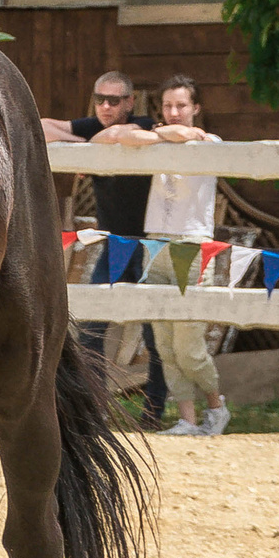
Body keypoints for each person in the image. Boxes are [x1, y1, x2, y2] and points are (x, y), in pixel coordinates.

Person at [97, 75, 229, 436]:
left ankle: (216, 408)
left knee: (189, 345)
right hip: (156, 243)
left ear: (196, 108)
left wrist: (159, 133)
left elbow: (190, 136)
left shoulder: (210, 142)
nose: (174, 112)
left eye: (181, 105)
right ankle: (187, 417)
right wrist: (158, 134)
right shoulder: (157, 140)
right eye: (168, 106)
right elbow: (113, 136)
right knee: (165, 344)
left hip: (193, 245)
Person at [41, 71, 170, 427]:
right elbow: (42, 125)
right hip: (113, 245)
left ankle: (154, 412)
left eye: (114, 100)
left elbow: (122, 134)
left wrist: (96, 140)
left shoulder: (142, 123)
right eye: (100, 99)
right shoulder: (91, 126)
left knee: (153, 332)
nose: (106, 106)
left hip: (147, 245)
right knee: (92, 328)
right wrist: (87, 145)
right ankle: (94, 407)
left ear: (129, 102)